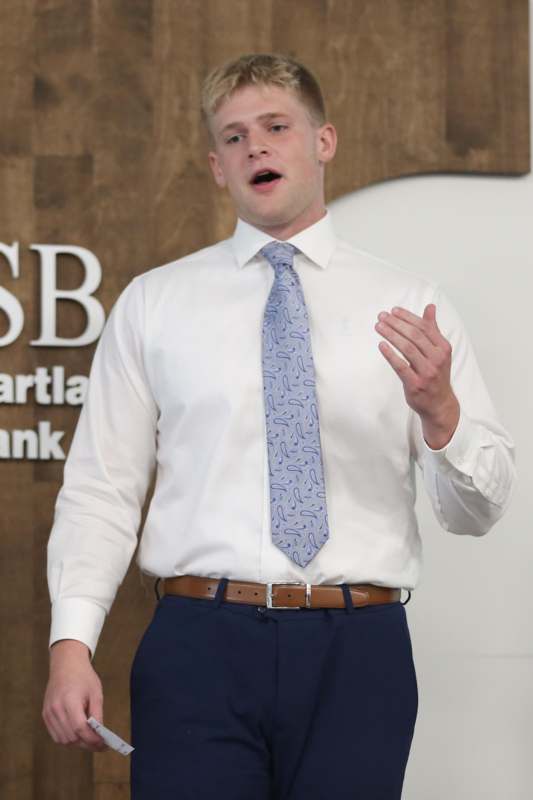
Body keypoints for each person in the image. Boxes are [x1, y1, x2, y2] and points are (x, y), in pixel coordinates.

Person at [42, 53, 517, 799]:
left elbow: (477, 513)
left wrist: (440, 415)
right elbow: (102, 488)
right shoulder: (154, 304)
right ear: (215, 167)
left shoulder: (408, 303)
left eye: (274, 127)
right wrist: (71, 644)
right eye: (233, 138)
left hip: (358, 648)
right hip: (198, 642)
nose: (254, 147)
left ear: (322, 142)